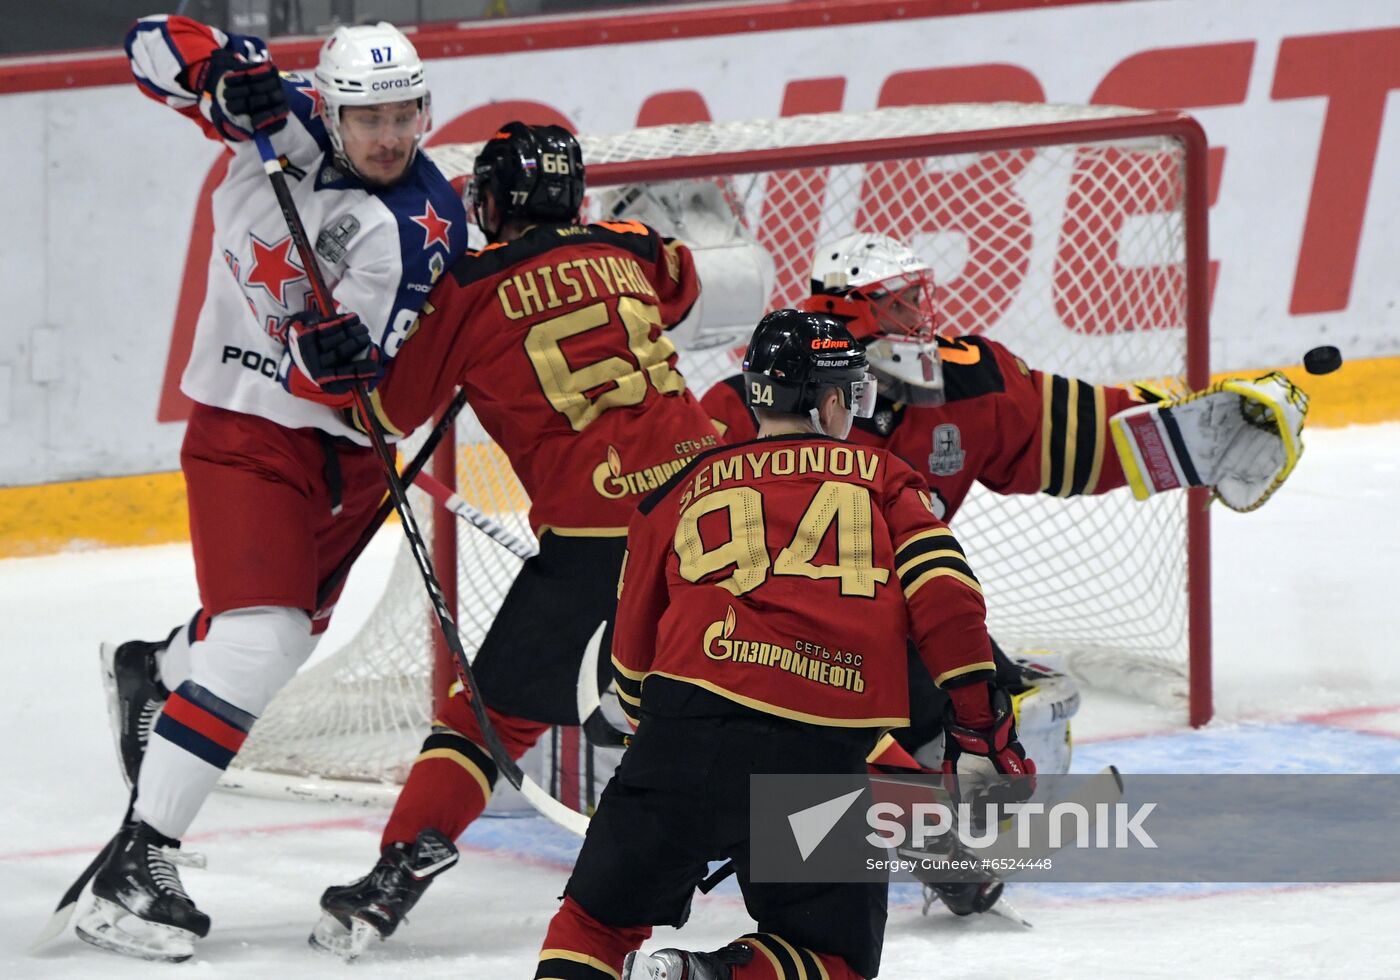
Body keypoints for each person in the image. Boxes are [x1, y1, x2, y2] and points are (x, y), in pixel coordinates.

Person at [699, 231, 1309, 915]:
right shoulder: (745, 409)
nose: (920, 320)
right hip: (769, 635)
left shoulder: (967, 382)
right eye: (899, 305)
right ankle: (896, 824)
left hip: (893, 617)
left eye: (916, 300)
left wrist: (1202, 433)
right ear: (851, 319)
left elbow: (1075, 433)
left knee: (1007, 699)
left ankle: (936, 829)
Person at [85, 15, 466, 962]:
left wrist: (335, 367)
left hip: (346, 457)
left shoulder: (423, 225)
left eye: (403, 115)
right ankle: (138, 866)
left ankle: (160, 670)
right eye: (367, 117)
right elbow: (148, 45)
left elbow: (367, 380)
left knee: (279, 638)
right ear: (329, 109)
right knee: (263, 640)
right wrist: (215, 78)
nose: (388, 137)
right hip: (245, 437)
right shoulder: (277, 124)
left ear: (425, 110)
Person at [309, 121, 727, 959]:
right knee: (778, 689)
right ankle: (938, 837)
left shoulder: (464, 290)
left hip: (597, 536)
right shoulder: (630, 245)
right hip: (717, 509)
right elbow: (683, 280)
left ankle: (400, 868)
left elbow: (383, 416)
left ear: (493, 200)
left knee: (486, 717)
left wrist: (342, 361)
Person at [532, 309, 1033, 980]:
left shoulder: (675, 492)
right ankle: (704, 975)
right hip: (816, 755)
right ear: (829, 401)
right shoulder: (881, 477)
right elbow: (946, 596)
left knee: (592, 923)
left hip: (680, 739)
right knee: (834, 960)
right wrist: (980, 729)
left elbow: (630, 669)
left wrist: (665, 758)